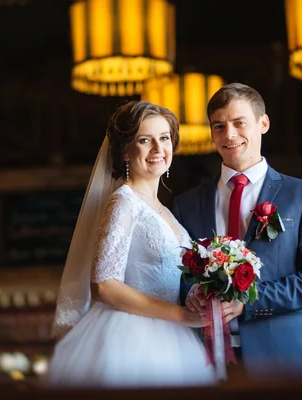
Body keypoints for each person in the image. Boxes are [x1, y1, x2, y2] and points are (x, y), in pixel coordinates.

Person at [45, 101, 217, 388]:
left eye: (164, 138)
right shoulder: (124, 202)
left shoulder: (162, 209)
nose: (158, 149)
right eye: (144, 140)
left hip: (172, 334)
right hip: (130, 335)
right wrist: (180, 315)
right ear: (125, 150)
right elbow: (103, 285)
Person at [173, 83, 302, 381]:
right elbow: (180, 277)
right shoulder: (187, 204)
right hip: (206, 358)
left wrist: (250, 299)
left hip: (283, 357)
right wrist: (192, 296)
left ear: (263, 123)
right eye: (219, 126)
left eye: (239, 123)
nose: (229, 134)